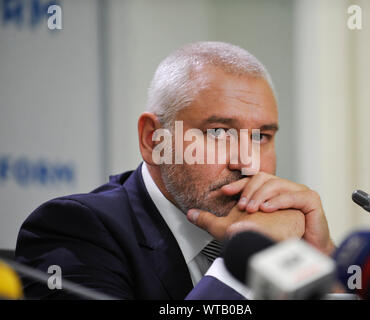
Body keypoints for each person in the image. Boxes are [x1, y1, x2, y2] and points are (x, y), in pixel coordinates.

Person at [15, 41, 335, 300]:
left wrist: (321, 262)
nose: (248, 163)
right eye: (219, 133)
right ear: (153, 140)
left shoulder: (284, 237)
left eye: (261, 137)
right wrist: (245, 261)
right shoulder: (75, 230)